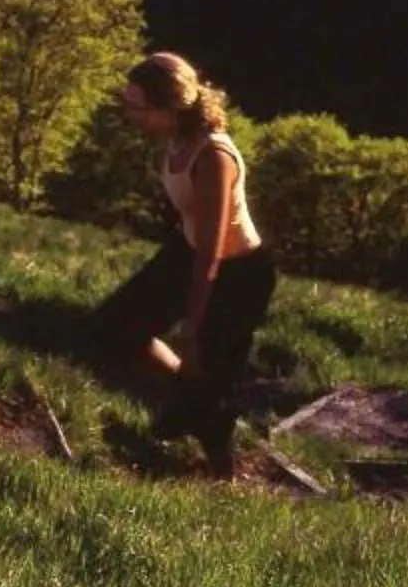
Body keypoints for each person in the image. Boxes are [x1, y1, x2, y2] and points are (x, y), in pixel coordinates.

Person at [89, 52, 277, 478]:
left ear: (168, 108)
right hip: (187, 251)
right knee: (113, 328)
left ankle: (223, 474)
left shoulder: (213, 158)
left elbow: (211, 253)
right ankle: (186, 393)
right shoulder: (176, 139)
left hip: (237, 275)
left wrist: (191, 328)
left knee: (209, 382)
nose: (129, 113)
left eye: (137, 106)